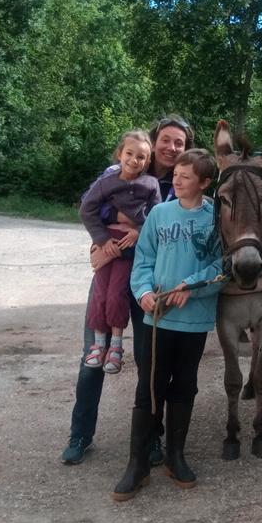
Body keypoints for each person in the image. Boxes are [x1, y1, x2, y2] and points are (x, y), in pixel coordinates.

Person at [61, 116, 195, 465]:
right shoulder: (123, 169)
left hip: (154, 282)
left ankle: (151, 437)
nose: (171, 147)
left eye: (179, 143)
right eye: (166, 140)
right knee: (94, 352)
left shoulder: (185, 183)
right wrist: (103, 241)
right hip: (113, 267)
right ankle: (80, 434)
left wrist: (135, 222)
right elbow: (93, 205)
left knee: (150, 362)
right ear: (155, 141)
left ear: (187, 148)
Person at [113, 149, 224, 501]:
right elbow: (143, 260)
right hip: (157, 319)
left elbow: (224, 265)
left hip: (193, 322)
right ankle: (138, 463)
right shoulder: (159, 214)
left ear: (205, 182)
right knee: (149, 385)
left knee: (184, 385)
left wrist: (192, 286)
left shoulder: (216, 218)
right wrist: (143, 292)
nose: (176, 180)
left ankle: (176, 456)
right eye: (176, 174)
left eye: (186, 176)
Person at [79, 130, 161, 374]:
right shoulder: (107, 181)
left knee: (117, 293)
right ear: (119, 154)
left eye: (141, 157)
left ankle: (116, 346)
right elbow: (86, 209)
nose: (134, 160)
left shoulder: (151, 184)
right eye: (129, 154)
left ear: (148, 162)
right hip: (108, 243)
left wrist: (139, 230)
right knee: (101, 293)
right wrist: (102, 239)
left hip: (131, 244)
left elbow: (157, 216)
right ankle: (97, 345)